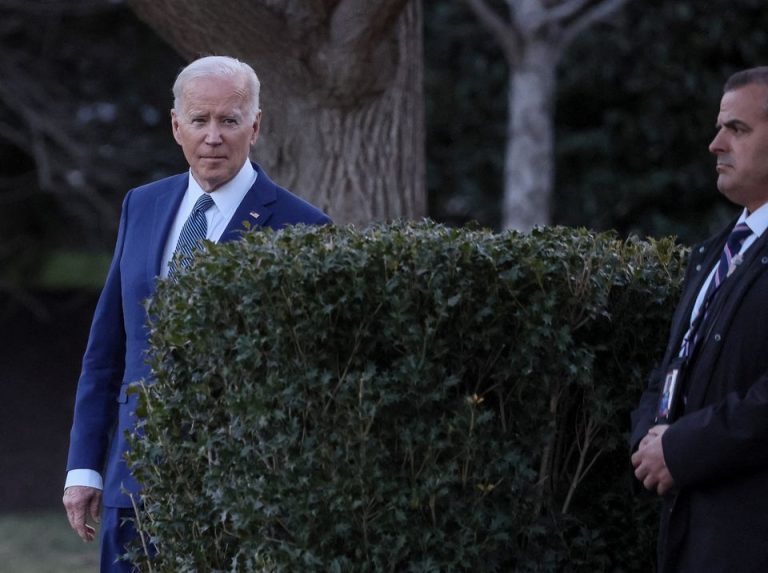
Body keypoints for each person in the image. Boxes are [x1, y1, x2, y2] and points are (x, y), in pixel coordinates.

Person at [62, 55, 331, 572]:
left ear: (255, 126)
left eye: (229, 120)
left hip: (240, 496)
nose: (213, 137)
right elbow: (107, 351)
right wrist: (84, 468)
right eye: (199, 120)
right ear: (176, 126)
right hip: (132, 484)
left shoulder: (302, 227)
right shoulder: (141, 205)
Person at [631, 66, 768, 572]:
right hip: (691, 535)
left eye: (737, 129)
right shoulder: (713, 252)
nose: (716, 144)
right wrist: (650, 440)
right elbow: (672, 365)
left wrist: (682, 450)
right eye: (719, 127)